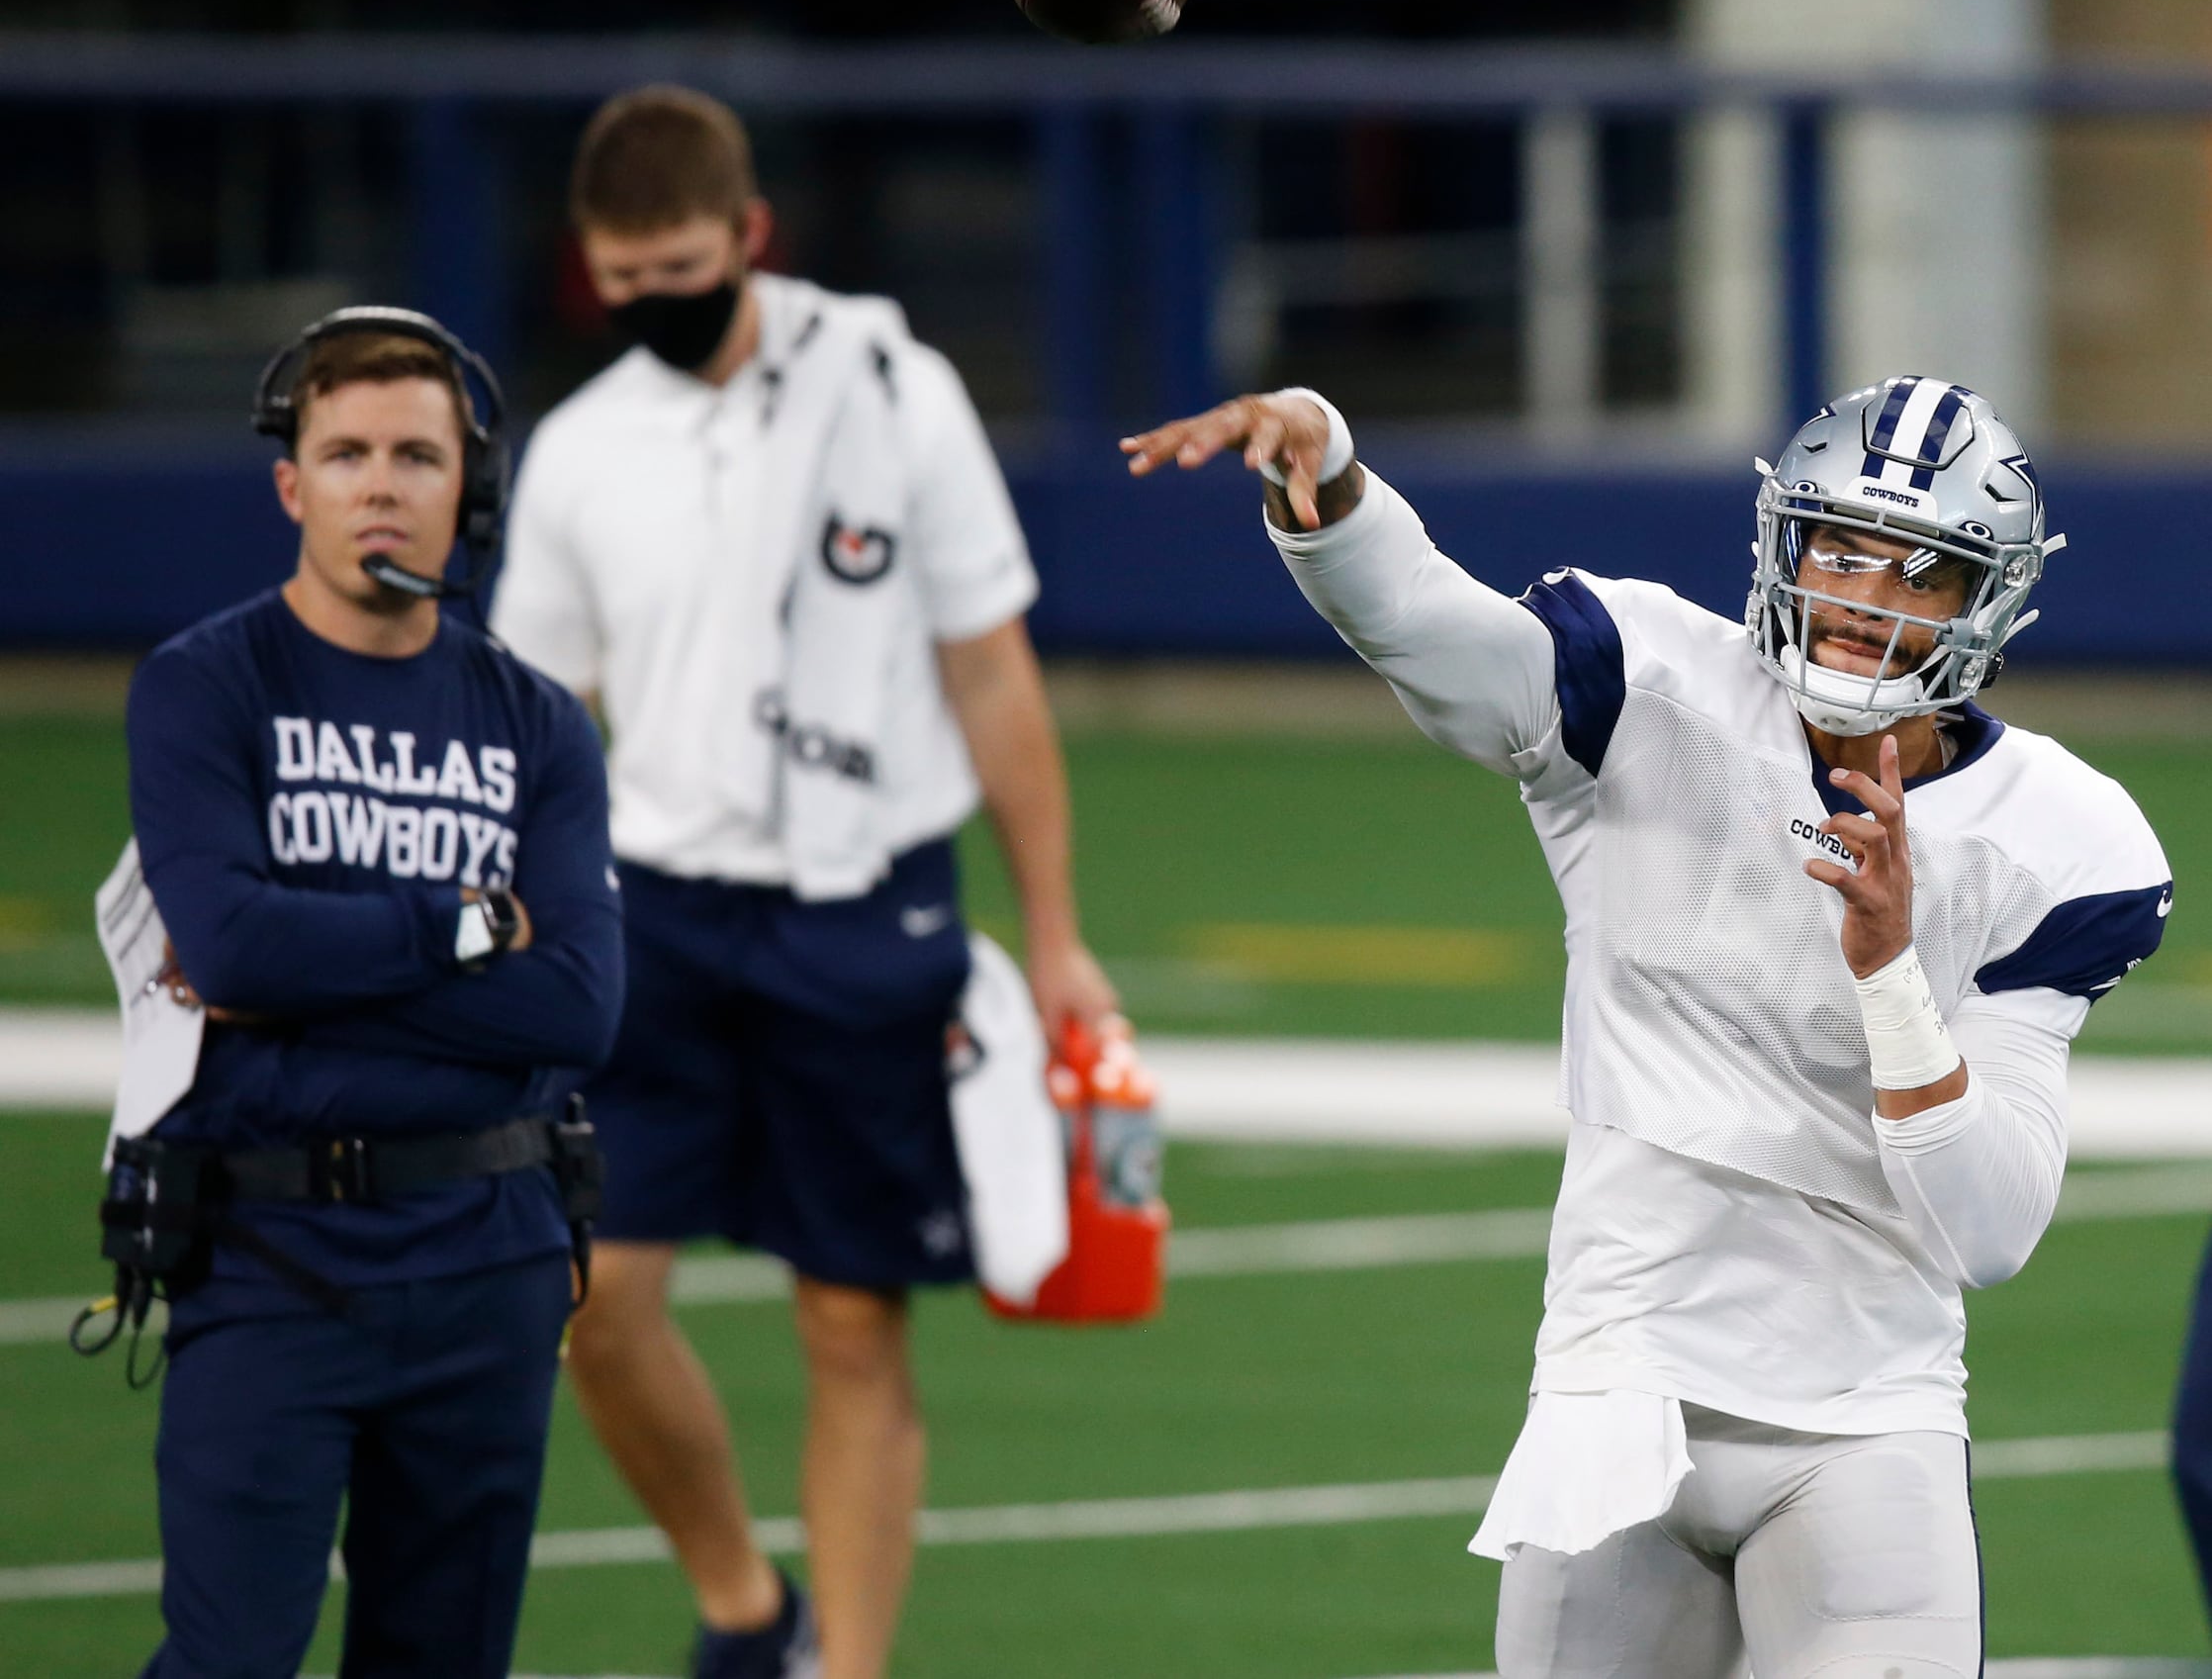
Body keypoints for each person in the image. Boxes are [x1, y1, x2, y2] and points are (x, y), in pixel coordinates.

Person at [1123, 377, 2171, 1677]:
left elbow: (1992, 1228)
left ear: (1989, 600)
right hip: (1621, 1389)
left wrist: (1891, 974)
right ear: (1783, 542)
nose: (1863, 599)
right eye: (1840, 548)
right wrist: (1331, 481)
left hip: (1864, 1419)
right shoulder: (1644, 681)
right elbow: (1420, 622)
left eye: (1922, 572)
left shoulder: (2059, 841)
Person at [491, 84, 1117, 1679]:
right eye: (623, 279)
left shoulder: (893, 385)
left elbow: (991, 670)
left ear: (750, 233)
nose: (655, 300)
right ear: (589, 268)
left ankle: (851, 1670)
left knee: (851, 1319)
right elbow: (540, 715)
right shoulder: (576, 448)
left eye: (684, 264)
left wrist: (1054, 935)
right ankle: (744, 1608)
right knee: (594, 1300)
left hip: (865, 903)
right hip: (653, 912)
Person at [115, 309, 624, 1679]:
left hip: (491, 1258)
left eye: (416, 452)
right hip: (270, 1257)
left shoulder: (539, 723)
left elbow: (578, 1006)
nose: (382, 483)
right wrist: (471, 924)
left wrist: (305, 970)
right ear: (294, 486)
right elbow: (230, 950)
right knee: (227, 1660)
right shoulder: (203, 687)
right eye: (345, 454)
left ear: (471, 484)